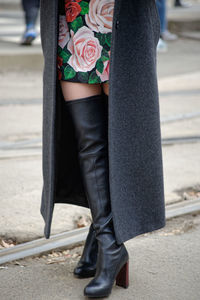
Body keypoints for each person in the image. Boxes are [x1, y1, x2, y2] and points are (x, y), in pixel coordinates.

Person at [40, 0, 166, 298]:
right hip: (73, 17)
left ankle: (103, 240)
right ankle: (108, 243)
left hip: (120, 21)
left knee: (119, 137)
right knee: (88, 143)